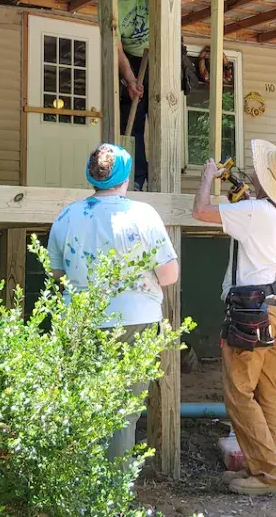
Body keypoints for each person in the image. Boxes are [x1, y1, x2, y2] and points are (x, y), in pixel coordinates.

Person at [47, 143, 180, 460]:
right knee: (121, 414)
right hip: (135, 321)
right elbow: (169, 274)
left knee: (82, 407)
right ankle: (114, 501)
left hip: (80, 320)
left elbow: (57, 272)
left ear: (91, 176)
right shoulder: (143, 215)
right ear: (125, 176)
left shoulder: (67, 215)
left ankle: (79, 497)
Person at [192, 140, 276, 496]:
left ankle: (271, 475)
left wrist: (208, 177)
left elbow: (200, 211)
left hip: (251, 312)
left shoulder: (256, 211)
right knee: (266, 392)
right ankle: (266, 466)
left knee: (239, 394)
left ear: (266, 177)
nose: (253, 170)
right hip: (275, 309)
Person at [113, 0, 195, 190]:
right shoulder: (109, 2)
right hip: (134, 60)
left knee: (162, 114)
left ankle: (165, 179)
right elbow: (116, 48)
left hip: (166, 51)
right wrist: (129, 79)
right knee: (131, 118)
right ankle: (137, 179)